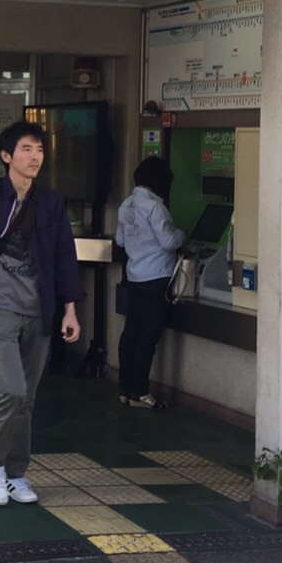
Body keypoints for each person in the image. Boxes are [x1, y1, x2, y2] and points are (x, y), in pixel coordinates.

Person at [0, 120, 83, 507]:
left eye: (39, 150)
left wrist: (70, 310)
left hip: (39, 311)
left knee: (27, 399)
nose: (35, 157)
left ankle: (15, 473)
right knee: (10, 390)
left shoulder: (51, 202)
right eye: (26, 149)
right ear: (6, 156)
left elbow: (64, 258)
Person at [113, 156, 184, 409]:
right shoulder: (155, 207)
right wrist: (182, 234)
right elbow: (168, 242)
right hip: (157, 277)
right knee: (148, 336)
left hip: (134, 276)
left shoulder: (127, 204)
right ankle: (140, 392)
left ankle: (124, 387)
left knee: (131, 332)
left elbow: (120, 241)